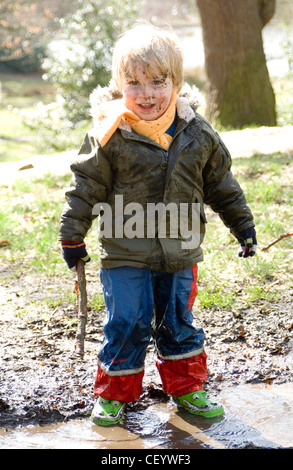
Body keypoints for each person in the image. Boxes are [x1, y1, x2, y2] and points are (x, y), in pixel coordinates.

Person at [59, 24, 257, 426]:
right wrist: (72, 234)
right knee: (127, 321)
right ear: (119, 84)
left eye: (157, 81)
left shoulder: (197, 133)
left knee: (178, 323)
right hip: (125, 251)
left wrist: (244, 228)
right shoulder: (110, 132)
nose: (146, 93)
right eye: (133, 82)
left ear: (177, 82)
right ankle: (115, 393)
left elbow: (222, 185)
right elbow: (86, 186)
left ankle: (186, 388)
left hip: (180, 251)